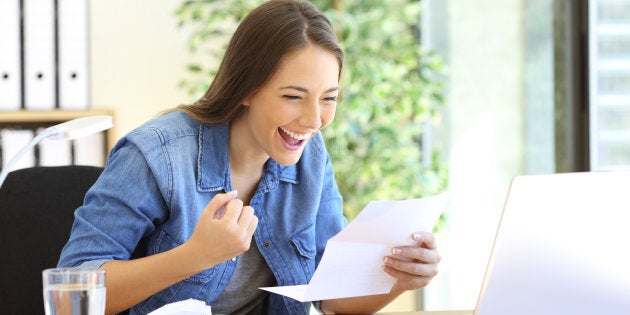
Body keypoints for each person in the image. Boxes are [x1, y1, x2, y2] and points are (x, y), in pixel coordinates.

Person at [58, 0, 441, 314]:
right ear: (245, 89)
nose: (313, 120)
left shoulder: (311, 158)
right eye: (293, 96)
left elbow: (330, 297)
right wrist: (195, 255)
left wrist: (399, 279)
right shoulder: (157, 154)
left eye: (328, 98)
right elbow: (69, 296)